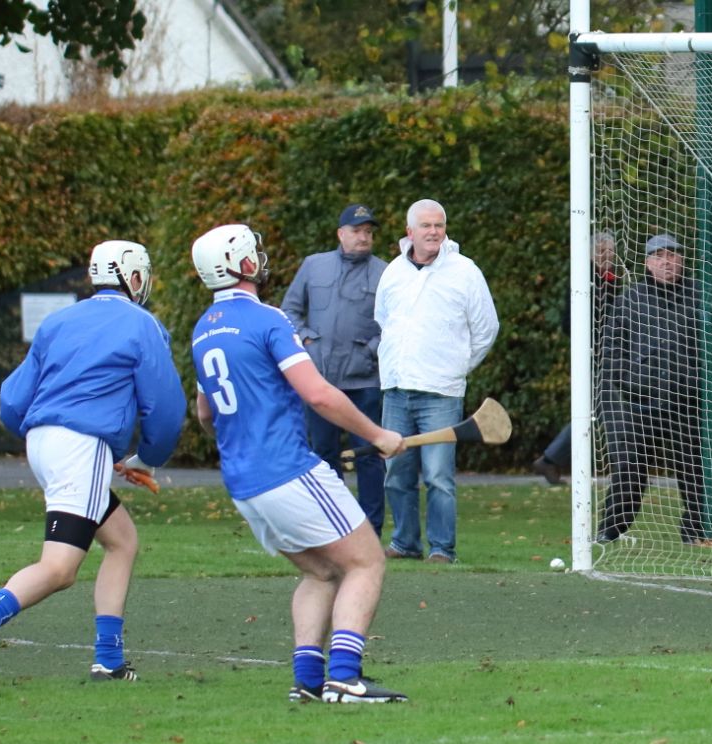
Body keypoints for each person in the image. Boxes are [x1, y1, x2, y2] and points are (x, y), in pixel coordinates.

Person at [0, 240, 186, 687]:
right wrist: (148, 458)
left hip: (44, 444)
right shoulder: (142, 324)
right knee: (60, 568)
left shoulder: (59, 321)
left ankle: (109, 660)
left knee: (122, 540)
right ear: (134, 278)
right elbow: (167, 410)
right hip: (80, 448)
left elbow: (14, 402)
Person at [190, 223, 409, 703]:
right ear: (244, 265)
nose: (261, 260)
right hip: (287, 468)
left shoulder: (203, 329)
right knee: (366, 561)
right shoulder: (268, 319)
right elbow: (317, 394)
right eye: (255, 255)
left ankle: (308, 681)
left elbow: (206, 413)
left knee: (320, 572)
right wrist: (378, 435)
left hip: (244, 482)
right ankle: (346, 678)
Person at [375, 199, 499, 564]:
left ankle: (442, 549)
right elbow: (384, 321)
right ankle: (404, 543)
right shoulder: (393, 272)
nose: (433, 232)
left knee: (438, 475)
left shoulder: (465, 271)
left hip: (441, 392)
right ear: (409, 232)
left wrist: (456, 367)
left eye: (439, 225)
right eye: (426, 226)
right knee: (396, 472)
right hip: (396, 389)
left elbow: (486, 329)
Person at [280, 203, 389, 536]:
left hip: (364, 381)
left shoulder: (386, 272)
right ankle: (332, 526)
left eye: (368, 232)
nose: (363, 238)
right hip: (321, 382)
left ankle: (370, 529)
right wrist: (309, 341)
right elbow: (289, 312)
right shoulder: (314, 266)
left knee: (370, 455)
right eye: (357, 231)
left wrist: (370, 352)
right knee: (324, 455)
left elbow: (394, 323)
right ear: (341, 234)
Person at [596, 233, 705, 545]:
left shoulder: (700, 295)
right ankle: (610, 531)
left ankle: (696, 532)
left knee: (694, 468)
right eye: (659, 256)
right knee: (629, 467)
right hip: (637, 402)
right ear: (648, 263)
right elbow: (613, 349)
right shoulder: (631, 298)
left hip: (688, 401)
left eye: (672, 255)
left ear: (682, 259)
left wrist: (699, 381)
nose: (667, 262)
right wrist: (629, 383)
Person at [532, 231, 620, 485]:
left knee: (595, 409)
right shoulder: (584, 279)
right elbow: (568, 322)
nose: (607, 256)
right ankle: (552, 459)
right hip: (592, 356)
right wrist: (593, 344)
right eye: (601, 251)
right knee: (604, 408)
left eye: (610, 251)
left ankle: (549, 460)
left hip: (613, 355)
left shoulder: (614, 279)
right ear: (591, 254)